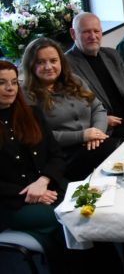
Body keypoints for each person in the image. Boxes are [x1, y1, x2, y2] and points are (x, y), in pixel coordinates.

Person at [0, 60, 68, 272]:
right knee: (67, 219)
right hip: (13, 202)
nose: (10, 88)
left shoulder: (32, 113)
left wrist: (43, 181)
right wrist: (32, 192)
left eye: (13, 82)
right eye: (1, 83)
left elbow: (56, 155)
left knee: (87, 210)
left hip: (49, 186)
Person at [22, 38, 118, 181]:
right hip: (64, 157)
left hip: (95, 144)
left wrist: (96, 133)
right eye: (41, 62)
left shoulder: (75, 80)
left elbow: (98, 108)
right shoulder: (27, 95)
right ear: (30, 65)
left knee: (121, 151)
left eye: (53, 61)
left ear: (61, 61)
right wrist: (82, 135)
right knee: (116, 153)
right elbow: (39, 135)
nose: (48, 67)